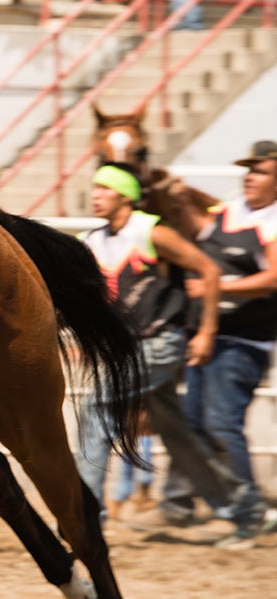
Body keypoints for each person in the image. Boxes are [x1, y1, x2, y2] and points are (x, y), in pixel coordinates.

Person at [76, 163, 262, 545]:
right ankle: (243, 510)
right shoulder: (93, 240)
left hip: (160, 344)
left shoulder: (150, 231)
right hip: (130, 348)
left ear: (125, 195)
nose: (95, 195)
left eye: (104, 189)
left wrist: (207, 330)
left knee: (95, 409)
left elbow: (208, 270)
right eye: (94, 189)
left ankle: (85, 517)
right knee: (178, 435)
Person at [158, 141, 277, 546]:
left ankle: (250, 513)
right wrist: (174, 192)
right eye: (248, 169)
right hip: (208, 338)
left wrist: (213, 285)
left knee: (222, 425)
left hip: (244, 341)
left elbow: (273, 279)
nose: (249, 176)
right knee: (192, 423)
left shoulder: (274, 222)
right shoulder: (228, 210)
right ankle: (232, 506)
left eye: (259, 171)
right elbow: (192, 221)